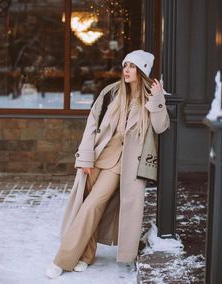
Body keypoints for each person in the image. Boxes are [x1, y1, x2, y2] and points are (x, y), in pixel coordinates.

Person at [46, 50, 170, 279]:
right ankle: (85, 256)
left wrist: (158, 99)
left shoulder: (148, 98)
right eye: (125, 65)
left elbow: (161, 127)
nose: (126, 70)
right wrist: (85, 158)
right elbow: (91, 125)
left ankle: (62, 259)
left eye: (133, 66)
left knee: (91, 206)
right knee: (88, 206)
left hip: (120, 165)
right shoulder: (111, 93)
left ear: (142, 71)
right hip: (97, 157)